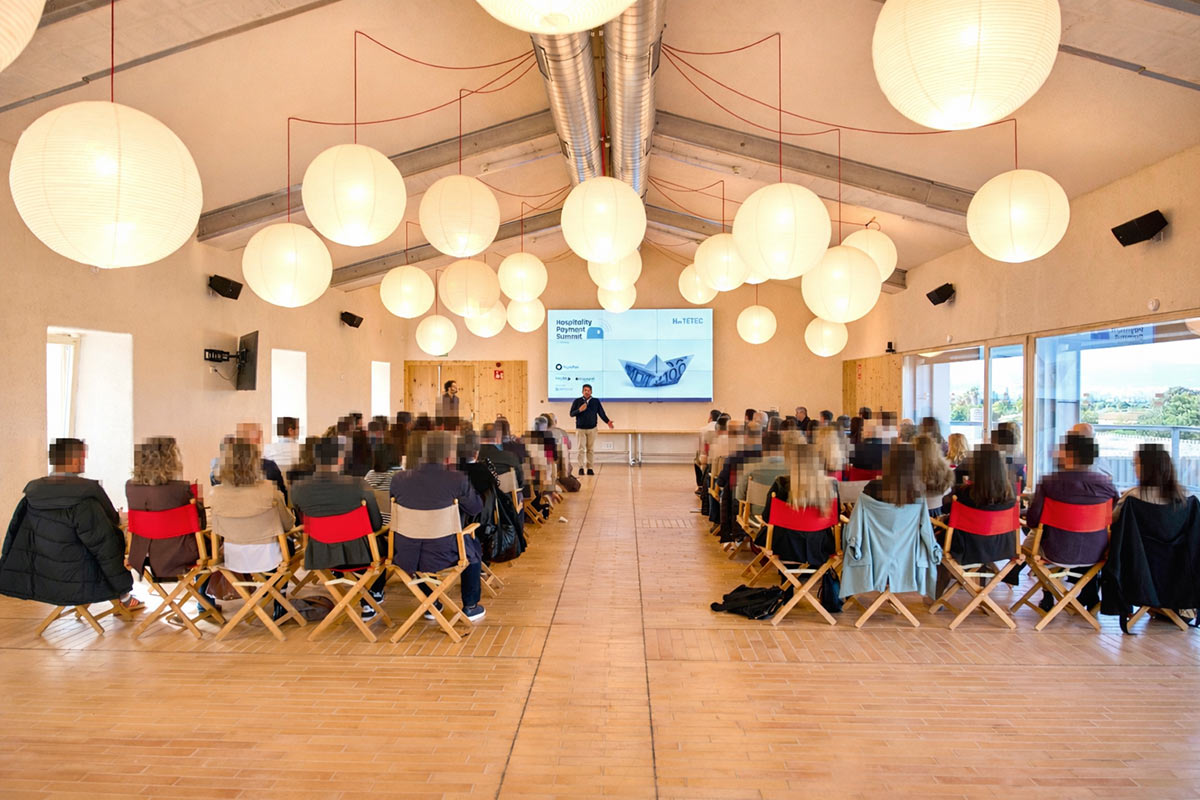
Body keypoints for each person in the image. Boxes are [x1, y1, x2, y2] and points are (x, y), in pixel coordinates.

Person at [0, 439, 138, 611]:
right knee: (111, 541)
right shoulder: (85, 500)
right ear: (74, 460)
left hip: (41, 579)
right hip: (80, 580)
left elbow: (13, 538)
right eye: (83, 457)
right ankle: (124, 599)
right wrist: (123, 589)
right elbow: (105, 547)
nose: (84, 461)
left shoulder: (31, 496)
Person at [390, 430, 486, 622]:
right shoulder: (456, 479)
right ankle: (470, 606)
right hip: (444, 551)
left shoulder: (399, 479)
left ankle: (431, 602)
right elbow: (475, 508)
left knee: (423, 545)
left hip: (406, 552)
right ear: (449, 454)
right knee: (471, 548)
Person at [291, 438, 386, 620]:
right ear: (341, 459)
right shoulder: (358, 485)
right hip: (360, 555)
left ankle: (366, 598)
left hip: (320, 555)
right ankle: (372, 596)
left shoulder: (298, 488)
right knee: (380, 542)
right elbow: (376, 524)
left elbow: (300, 522)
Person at [1025, 432, 1118, 609]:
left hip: (1056, 551)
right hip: (1096, 553)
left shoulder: (1050, 483)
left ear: (1069, 455)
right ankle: (1088, 594)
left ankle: (1048, 594)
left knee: (1036, 542)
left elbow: (1033, 520)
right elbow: (1112, 518)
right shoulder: (1107, 485)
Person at [759, 441, 842, 612]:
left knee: (782, 534)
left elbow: (767, 517)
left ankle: (787, 589)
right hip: (820, 547)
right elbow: (836, 516)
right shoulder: (831, 485)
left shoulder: (781, 483)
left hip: (785, 547)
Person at [208, 439, 295, 595]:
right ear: (256, 463)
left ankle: (265, 593)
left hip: (233, 556)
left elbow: (217, 529)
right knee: (287, 543)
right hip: (269, 557)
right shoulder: (269, 490)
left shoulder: (216, 493)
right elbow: (288, 524)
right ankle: (278, 596)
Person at [125, 436, 207, 585]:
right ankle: (205, 597)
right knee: (212, 543)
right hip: (180, 554)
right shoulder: (181, 489)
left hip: (142, 553)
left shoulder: (130, 487)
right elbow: (201, 523)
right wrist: (199, 502)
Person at [1114, 443, 1188, 515]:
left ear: (1147, 467)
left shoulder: (1132, 497)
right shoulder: (1185, 496)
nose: (1134, 467)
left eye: (1136, 463)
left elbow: (1112, 519)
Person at [569, 383, 613, 476]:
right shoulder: (577, 401)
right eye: (585, 390)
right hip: (580, 429)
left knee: (590, 449)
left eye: (588, 390)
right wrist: (579, 410)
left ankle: (590, 468)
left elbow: (601, 413)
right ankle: (581, 468)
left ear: (591, 392)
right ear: (582, 391)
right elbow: (571, 414)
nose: (587, 392)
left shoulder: (595, 401)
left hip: (592, 428)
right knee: (581, 449)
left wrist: (608, 422)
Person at [913, 434, 953, 516]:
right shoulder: (943, 468)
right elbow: (947, 490)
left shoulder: (910, 469)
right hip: (936, 511)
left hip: (915, 512)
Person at [478, 422, 525, 487]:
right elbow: (521, 481)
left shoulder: (474, 458)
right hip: (508, 492)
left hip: (481, 492)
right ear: (497, 437)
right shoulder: (510, 457)